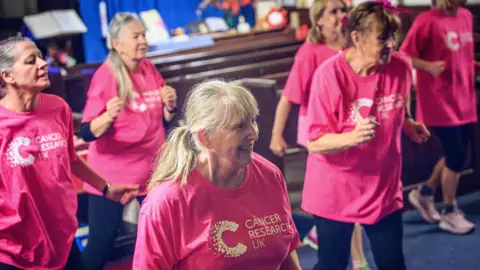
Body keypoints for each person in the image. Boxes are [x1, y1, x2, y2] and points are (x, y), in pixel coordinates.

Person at [302, 1, 431, 269]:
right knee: (331, 265)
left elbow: (397, 103)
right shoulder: (328, 76)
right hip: (334, 191)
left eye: (393, 36)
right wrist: (352, 137)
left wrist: (407, 122)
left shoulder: (401, 67)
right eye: (382, 37)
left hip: (382, 189)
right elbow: (314, 142)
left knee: (393, 264)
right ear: (357, 38)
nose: (392, 44)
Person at [0, 37, 138, 270]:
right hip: (14, 251)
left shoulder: (57, 107)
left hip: (61, 239)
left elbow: (69, 159)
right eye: (31, 61)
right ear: (7, 76)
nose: (43, 64)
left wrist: (105, 187)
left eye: (41, 58)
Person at [132, 80, 301, 270]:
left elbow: (287, 250)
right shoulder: (167, 201)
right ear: (205, 138)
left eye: (253, 121)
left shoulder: (269, 175)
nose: (254, 134)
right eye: (239, 126)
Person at [79, 12, 178, 269]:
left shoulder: (148, 68)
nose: (142, 41)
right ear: (116, 43)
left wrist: (169, 108)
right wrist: (107, 117)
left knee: (163, 235)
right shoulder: (106, 76)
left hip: (152, 173)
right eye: (135, 36)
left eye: (144, 35)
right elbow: (87, 132)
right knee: (103, 240)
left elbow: (159, 121)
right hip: (112, 177)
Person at [400, 0, 476, 235]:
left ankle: (425, 192)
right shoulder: (427, 20)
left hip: (465, 98)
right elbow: (404, 55)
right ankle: (449, 211)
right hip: (439, 101)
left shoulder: (466, 15)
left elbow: (460, 55)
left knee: (459, 153)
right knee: (455, 155)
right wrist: (428, 66)